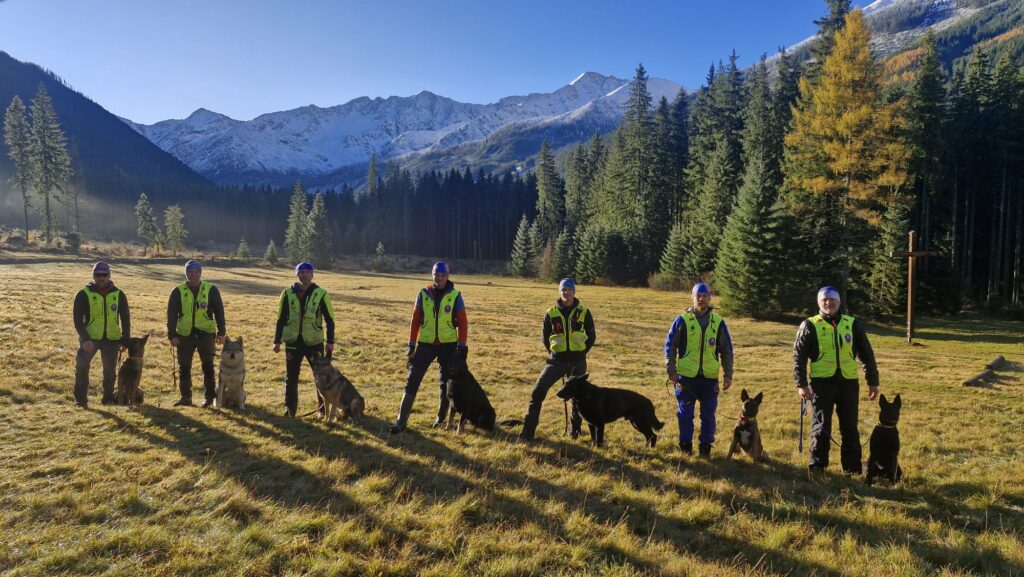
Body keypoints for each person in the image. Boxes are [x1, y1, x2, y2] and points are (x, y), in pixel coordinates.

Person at [793, 285, 879, 474]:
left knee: (850, 427)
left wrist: (873, 382)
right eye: (824, 299)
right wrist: (801, 384)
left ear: (839, 302)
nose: (828, 302)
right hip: (821, 384)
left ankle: (852, 469)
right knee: (821, 426)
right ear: (819, 302)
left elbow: (866, 354)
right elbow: (799, 356)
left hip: (848, 383)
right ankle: (817, 467)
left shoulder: (852, 324)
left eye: (832, 299)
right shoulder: (809, 325)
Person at [390, 261, 468, 434]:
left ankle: (440, 419)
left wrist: (462, 346)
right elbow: (415, 320)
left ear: (447, 276)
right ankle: (400, 421)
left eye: (442, 275)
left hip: (448, 345)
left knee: (445, 383)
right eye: (436, 275)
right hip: (425, 344)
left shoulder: (455, 296)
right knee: (412, 379)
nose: (438, 278)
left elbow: (463, 322)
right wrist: (411, 344)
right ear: (432, 275)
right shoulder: (423, 294)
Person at [519, 278, 596, 441]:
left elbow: (591, 336)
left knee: (578, 399)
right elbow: (545, 336)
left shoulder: (584, 311)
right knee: (537, 392)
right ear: (559, 292)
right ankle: (527, 433)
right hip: (556, 361)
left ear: (574, 291)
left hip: (577, 362)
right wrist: (553, 352)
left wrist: (582, 353)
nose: (566, 292)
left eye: (569, 289)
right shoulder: (551, 312)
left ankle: (574, 433)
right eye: (563, 290)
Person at [664, 283, 733, 457]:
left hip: (709, 379)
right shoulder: (682, 320)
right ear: (692, 298)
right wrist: (671, 370)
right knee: (685, 414)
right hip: (685, 378)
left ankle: (705, 448)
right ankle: (685, 447)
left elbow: (726, 350)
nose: (701, 299)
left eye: (704, 296)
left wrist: (728, 374)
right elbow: (670, 346)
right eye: (698, 296)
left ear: (710, 297)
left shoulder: (718, 322)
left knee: (708, 415)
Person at [274, 262, 335, 416]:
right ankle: (290, 410)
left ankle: (323, 410)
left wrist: (330, 342)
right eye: (301, 272)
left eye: (307, 272)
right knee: (291, 377)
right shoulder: (287, 293)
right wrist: (277, 341)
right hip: (293, 341)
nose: (304, 275)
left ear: (312, 274)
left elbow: (330, 319)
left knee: (320, 376)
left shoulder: (321, 294)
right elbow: (280, 318)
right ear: (297, 274)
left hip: (314, 341)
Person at [167, 260, 226, 407]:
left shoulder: (211, 289)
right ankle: (185, 397)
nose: (193, 275)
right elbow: (171, 314)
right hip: (184, 335)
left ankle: (209, 397)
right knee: (184, 367)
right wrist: (172, 335)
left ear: (200, 273)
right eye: (190, 272)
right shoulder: (178, 291)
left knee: (208, 367)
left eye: (196, 272)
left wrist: (221, 332)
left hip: (206, 334)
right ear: (186, 273)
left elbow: (219, 311)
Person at [72, 261, 131, 407]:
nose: (101, 278)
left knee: (109, 372)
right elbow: (77, 320)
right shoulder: (83, 294)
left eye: (104, 275)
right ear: (93, 276)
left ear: (109, 275)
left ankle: (108, 400)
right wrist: (85, 339)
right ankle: (80, 400)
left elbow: (125, 318)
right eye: (98, 275)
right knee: (82, 368)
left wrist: (125, 340)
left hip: (112, 339)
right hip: (90, 339)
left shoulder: (119, 294)